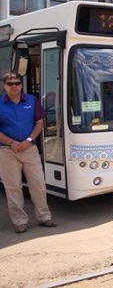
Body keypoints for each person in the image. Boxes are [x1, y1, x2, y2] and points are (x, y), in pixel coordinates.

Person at [0, 72, 57, 234]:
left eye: (17, 83)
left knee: (38, 184)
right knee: (13, 188)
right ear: (4, 86)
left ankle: (44, 217)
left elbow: (39, 123)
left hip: (29, 149)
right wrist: (11, 142)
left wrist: (29, 140)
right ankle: (20, 222)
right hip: (7, 151)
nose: (14, 86)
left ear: (21, 84)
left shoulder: (32, 101)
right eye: (10, 84)